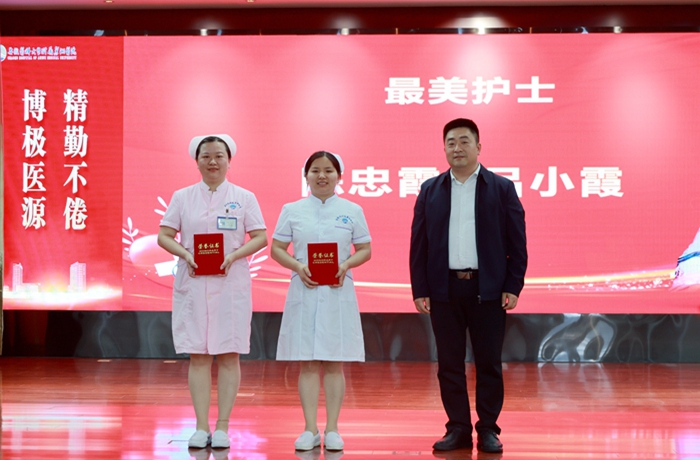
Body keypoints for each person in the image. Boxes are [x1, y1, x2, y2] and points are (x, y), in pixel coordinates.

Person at [409, 118, 527, 453]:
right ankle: (458, 427)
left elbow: (517, 242)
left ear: (478, 146)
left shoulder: (501, 188)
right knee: (449, 364)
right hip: (444, 289)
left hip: (488, 289)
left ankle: (488, 428)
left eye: (464, 141)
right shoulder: (430, 190)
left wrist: (513, 285)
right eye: (451, 142)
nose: (457, 148)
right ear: (444, 148)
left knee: (488, 362)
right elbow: (419, 243)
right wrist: (420, 288)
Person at [158, 134, 268, 449]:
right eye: (206, 156)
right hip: (194, 282)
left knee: (229, 353)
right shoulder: (182, 197)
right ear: (197, 161)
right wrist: (185, 254)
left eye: (219, 155)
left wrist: (233, 256)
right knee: (199, 355)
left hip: (230, 284)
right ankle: (201, 426)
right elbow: (164, 235)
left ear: (229, 161)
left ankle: (222, 426)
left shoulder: (244, 197)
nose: (212, 162)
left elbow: (260, 237)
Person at [271, 151, 372, 452]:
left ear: (339, 176)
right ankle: (309, 429)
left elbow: (365, 249)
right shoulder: (292, 210)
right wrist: (297, 266)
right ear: (306, 176)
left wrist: (346, 264)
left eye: (329, 170)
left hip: (338, 291)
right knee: (308, 362)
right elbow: (277, 248)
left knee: (334, 361)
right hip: (304, 290)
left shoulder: (352, 210)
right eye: (315, 170)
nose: (322, 176)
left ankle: (333, 429)